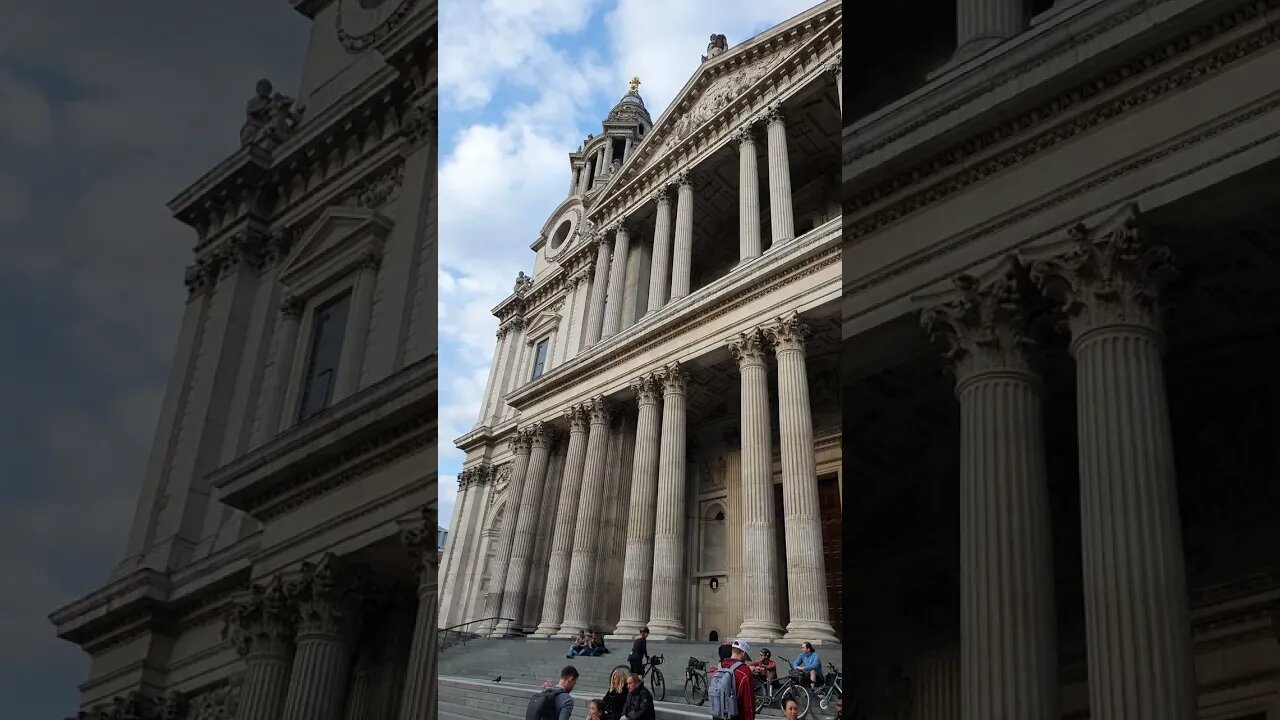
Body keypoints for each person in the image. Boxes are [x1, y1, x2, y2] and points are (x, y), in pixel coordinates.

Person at [710, 639, 755, 720]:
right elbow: (748, 704)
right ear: (744, 654)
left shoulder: (719, 667)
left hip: (718, 715)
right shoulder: (744, 671)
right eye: (746, 657)